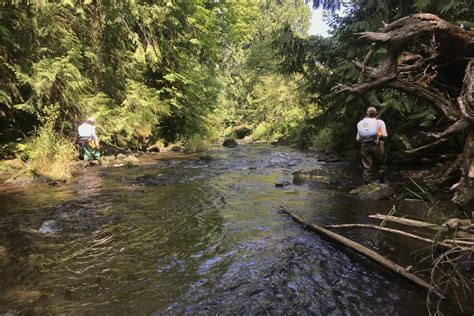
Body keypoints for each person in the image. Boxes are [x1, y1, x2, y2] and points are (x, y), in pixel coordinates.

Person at [356, 107, 388, 184]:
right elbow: (385, 135)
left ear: (367, 114)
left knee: (367, 167)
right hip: (377, 144)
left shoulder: (361, 123)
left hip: (365, 146)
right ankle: (382, 183)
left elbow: (357, 139)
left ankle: (367, 185)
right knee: (381, 165)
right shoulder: (379, 122)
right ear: (376, 113)